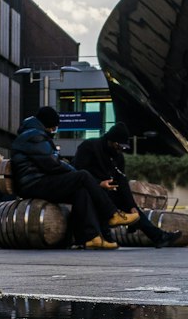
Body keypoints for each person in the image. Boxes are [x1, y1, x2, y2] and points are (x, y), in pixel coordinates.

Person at [10, 106, 139, 249]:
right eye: (54, 127)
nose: (54, 131)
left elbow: (50, 161)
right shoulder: (33, 136)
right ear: (48, 125)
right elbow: (52, 164)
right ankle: (112, 214)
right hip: (33, 184)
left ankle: (92, 238)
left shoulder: (33, 134)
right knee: (82, 176)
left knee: (81, 191)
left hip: (37, 181)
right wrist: (73, 171)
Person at [75, 122, 180, 246]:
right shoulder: (89, 147)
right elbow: (78, 172)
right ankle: (106, 236)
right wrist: (99, 184)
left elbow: (122, 182)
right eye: (119, 146)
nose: (120, 149)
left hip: (106, 191)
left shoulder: (117, 156)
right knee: (103, 197)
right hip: (87, 190)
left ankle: (158, 236)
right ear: (111, 141)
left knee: (130, 207)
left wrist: (131, 206)